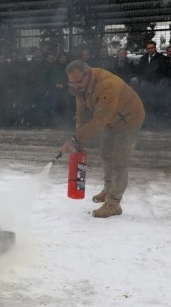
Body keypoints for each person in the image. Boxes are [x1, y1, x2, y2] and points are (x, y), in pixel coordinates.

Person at [61, 60, 145, 218]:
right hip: (110, 119)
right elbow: (82, 113)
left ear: (88, 74)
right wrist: (77, 139)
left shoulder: (107, 84)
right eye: (71, 82)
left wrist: (74, 139)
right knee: (105, 154)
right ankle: (108, 190)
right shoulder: (79, 86)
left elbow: (99, 120)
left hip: (129, 118)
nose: (75, 86)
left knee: (120, 160)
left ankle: (113, 203)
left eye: (78, 82)